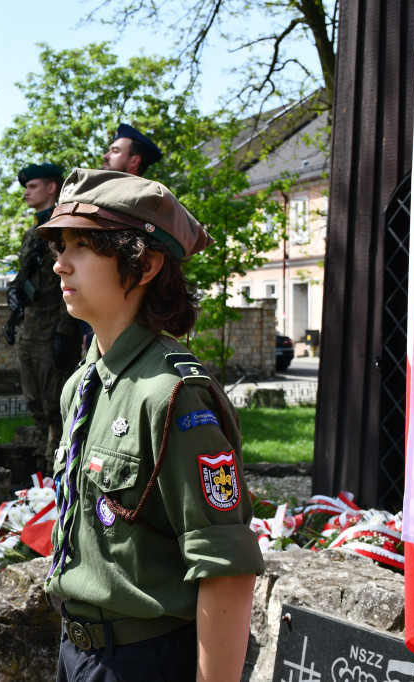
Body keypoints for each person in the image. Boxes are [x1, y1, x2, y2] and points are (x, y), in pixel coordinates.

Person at [38, 169, 264, 682]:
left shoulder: (174, 394)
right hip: (78, 653)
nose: (60, 264)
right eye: (60, 245)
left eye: (83, 247)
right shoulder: (83, 385)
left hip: (146, 661)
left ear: (144, 265)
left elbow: (225, 565)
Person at [6, 162, 81, 470]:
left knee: (55, 406)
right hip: (30, 328)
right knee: (34, 402)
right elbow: (27, 279)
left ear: (52, 188)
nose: (26, 192)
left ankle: (58, 471)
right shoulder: (31, 233)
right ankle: (40, 468)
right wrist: (13, 312)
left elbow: (71, 283)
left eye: (32, 186)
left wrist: (65, 332)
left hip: (53, 330)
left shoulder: (65, 229)